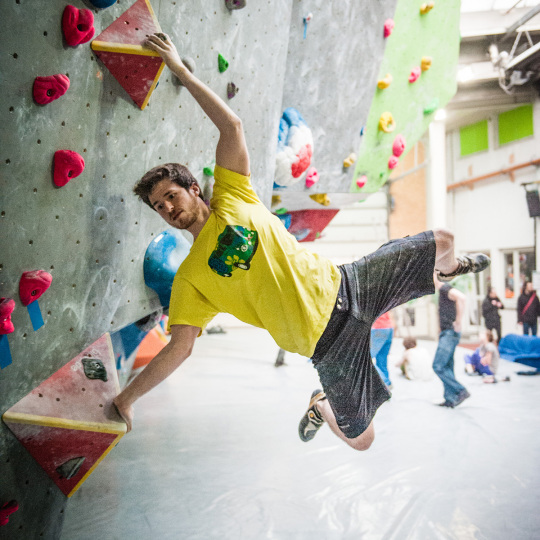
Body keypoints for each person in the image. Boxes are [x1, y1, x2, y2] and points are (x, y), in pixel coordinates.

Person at [112, 33, 490, 451]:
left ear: (193, 189)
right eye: (158, 206)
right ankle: (321, 404)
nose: (167, 207)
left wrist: (180, 69)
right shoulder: (190, 280)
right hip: (327, 343)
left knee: (444, 239)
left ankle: (449, 270)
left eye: (171, 195)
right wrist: (126, 399)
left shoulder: (233, 194)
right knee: (361, 440)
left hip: (350, 284)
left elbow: (231, 125)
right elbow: (178, 349)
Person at [432, 275, 470, 408]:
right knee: (447, 366)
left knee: (438, 366)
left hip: (450, 332)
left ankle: (460, 390)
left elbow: (462, 297)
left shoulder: (445, 288)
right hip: (447, 332)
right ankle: (450, 398)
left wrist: (458, 321)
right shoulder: (442, 291)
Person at [370, 311, 394, 388]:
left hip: (378, 328)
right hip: (389, 327)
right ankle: (388, 383)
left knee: (366, 359)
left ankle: (384, 383)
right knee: (382, 360)